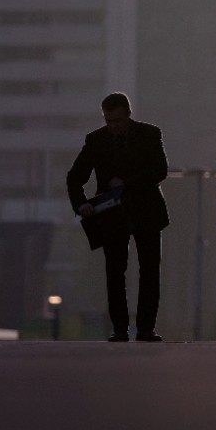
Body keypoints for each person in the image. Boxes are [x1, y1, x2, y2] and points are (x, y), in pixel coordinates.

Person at [67, 92, 171, 342]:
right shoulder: (96, 141)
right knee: (115, 272)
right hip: (113, 214)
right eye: (108, 121)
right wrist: (81, 204)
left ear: (128, 115)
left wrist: (126, 184)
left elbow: (160, 170)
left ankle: (145, 328)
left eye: (117, 121)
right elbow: (75, 177)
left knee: (148, 271)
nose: (113, 126)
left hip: (145, 210)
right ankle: (120, 328)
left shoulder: (150, 134)